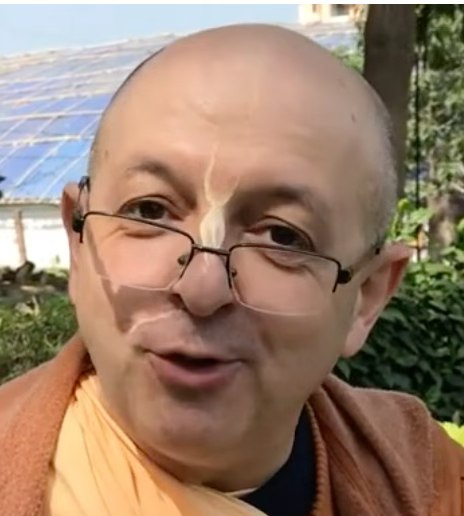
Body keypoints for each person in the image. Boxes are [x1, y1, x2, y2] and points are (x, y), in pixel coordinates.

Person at [0, 24, 462, 516]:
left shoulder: (430, 482)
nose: (202, 288)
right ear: (79, 241)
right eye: (150, 211)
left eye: (282, 237)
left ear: (367, 297)